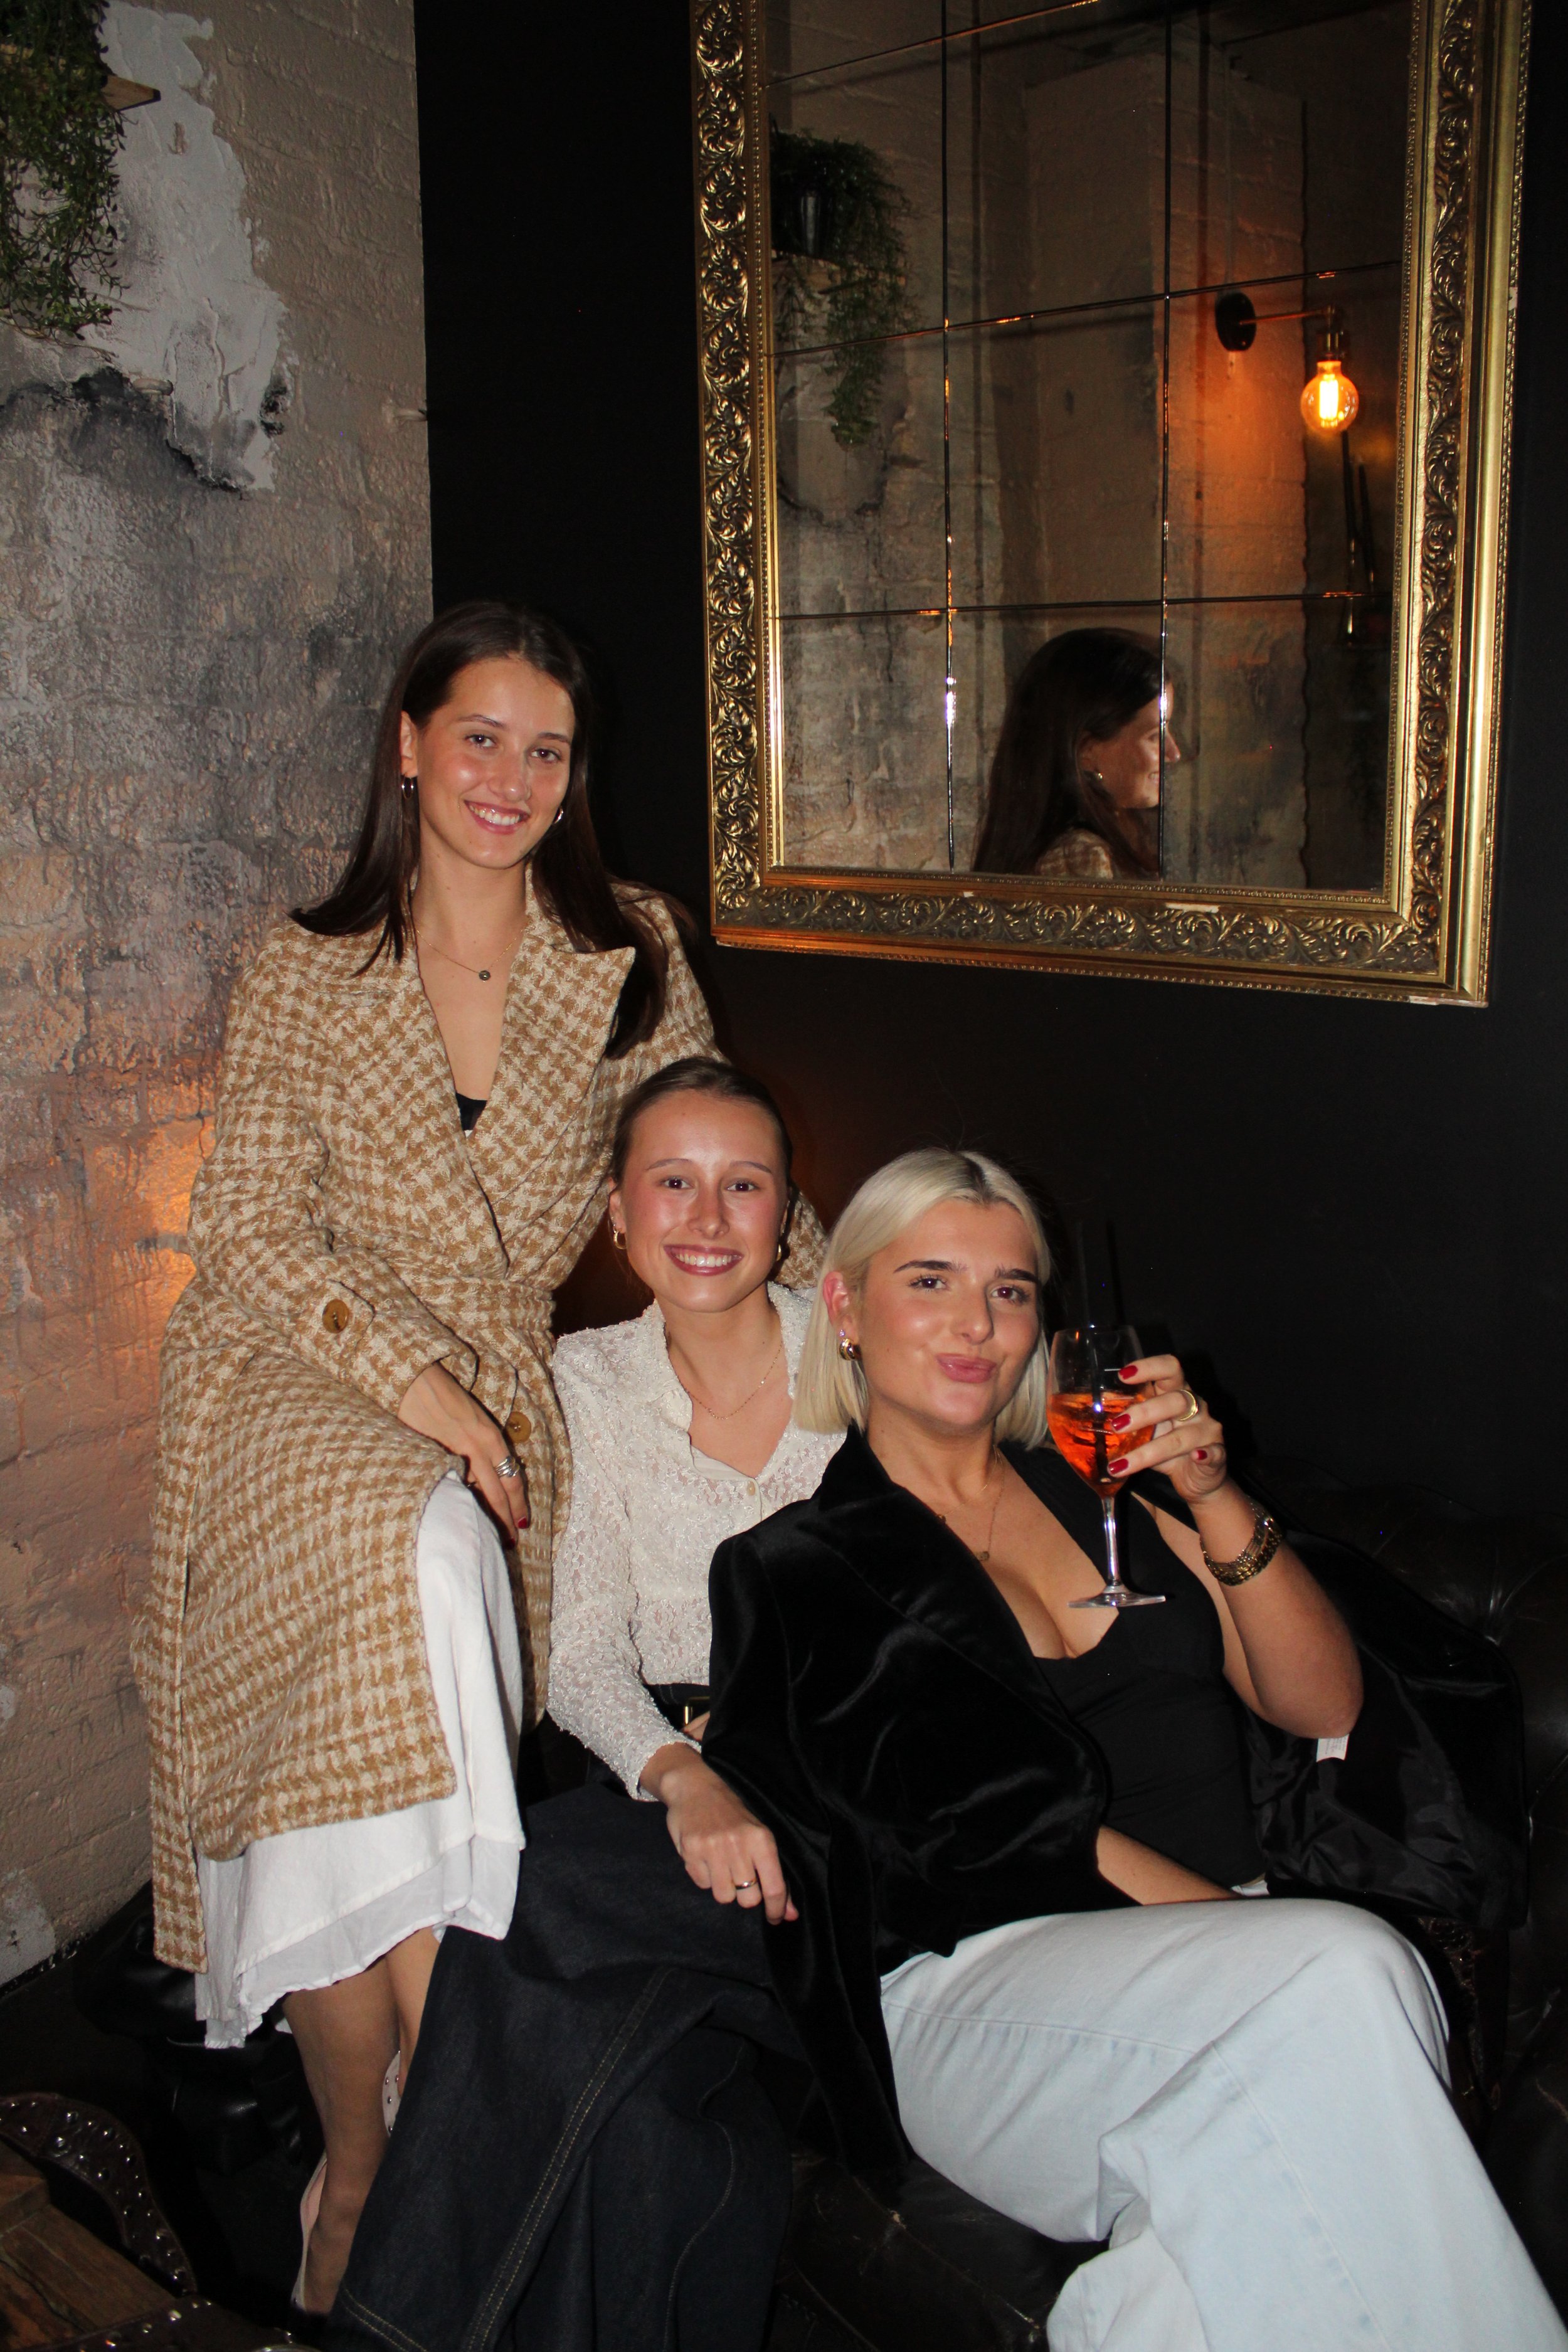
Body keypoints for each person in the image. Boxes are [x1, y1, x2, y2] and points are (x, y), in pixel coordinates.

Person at [701, 1148, 1562, 2352]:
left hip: (1226, 1965)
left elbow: (1320, 1705)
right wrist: (1247, 1931)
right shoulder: (798, 1568)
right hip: (980, 1991)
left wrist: (1210, 1495)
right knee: (1349, 1977)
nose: (977, 1325)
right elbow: (983, 1831)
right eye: (931, 1281)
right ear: (843, 1307)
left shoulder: (1105, 1497)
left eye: (1010, 1291)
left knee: (1185, 2284)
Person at [134, 601, 735, 2312]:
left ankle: (371, 2157)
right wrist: (426, 1386)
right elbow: (242, 1225)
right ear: (408, 741)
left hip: (490, 1368)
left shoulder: (624, 948)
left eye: (547, 748)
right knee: (415, 1537)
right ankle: (386, 2144)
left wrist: (848, 1314)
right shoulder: (311, 961)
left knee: (408, 1630)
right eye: (480, 735)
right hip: (289, 1370)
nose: (512, 776)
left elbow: (707, 1158)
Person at [548, 1057, 842, 1887]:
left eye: (743, 1186)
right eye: (674, 1180)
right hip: (667, 1773)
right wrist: (684, 1778)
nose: (708, 1218)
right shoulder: (582, 1379)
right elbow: (579, 1650)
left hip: (853, 1752)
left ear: (784, 1214)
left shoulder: (861, 1357)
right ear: (617, 1210)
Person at [971, 628, 1175, 880]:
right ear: (1086, 751)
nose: (1173, 753)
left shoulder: (1078, 841)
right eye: (1154, 736)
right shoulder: (1080, 855)